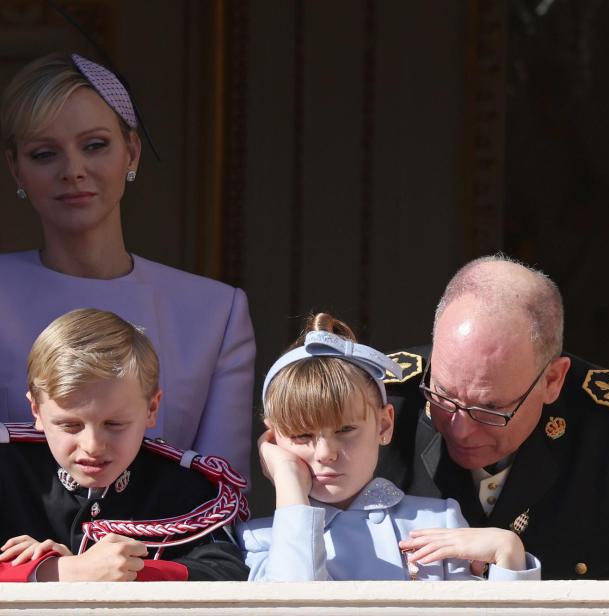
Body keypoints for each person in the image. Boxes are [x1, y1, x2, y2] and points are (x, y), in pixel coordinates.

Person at [0, 52, 255, 482]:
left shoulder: (216, 312)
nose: (73, 170)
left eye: (94, 145)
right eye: (45, 154)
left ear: (131, 152)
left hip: (167, 548)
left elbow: (223, 494)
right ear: (16, 169)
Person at [238, 313, 540, 581]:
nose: (325, 452)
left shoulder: (437, 521)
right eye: (302, 435)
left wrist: (509, 554)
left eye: (345, 430)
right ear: (275, 440)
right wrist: (289, 483)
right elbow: (292, 608)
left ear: (384, 425)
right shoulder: (259, 539)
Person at [379, 254, 609, 580]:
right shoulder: (371, 406)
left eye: (490, 409)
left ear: (552, 382)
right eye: (443, 395)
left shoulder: (605, 433)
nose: (460, 431)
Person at [0, 308, 249, 582]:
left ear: (152, 408)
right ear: (36, 411)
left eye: (114, 424)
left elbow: (226, 572)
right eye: (70, 425)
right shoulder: (8, 469)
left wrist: (128, 570)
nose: (92, 445)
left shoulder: (185, 488)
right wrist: (58, 571)